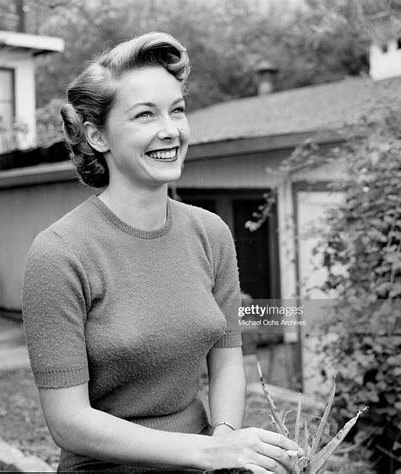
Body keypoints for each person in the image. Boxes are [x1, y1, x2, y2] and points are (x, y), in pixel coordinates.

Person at [22, 31, 301, 473]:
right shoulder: (59, 254)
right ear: (97, 136)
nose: (170, 130)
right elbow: (68, 422)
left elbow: (228, 360)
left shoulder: (211, 234)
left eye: (177, 110)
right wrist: (207, 452)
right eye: (145, 115)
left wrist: (224, 446)